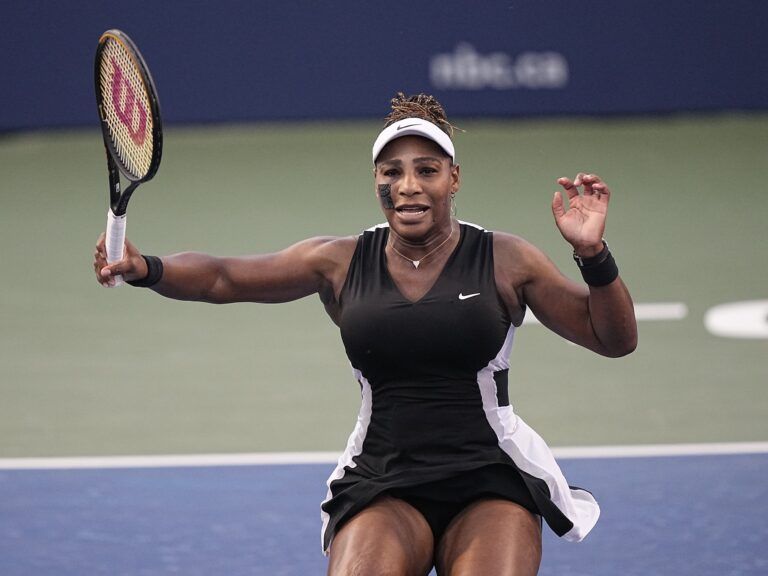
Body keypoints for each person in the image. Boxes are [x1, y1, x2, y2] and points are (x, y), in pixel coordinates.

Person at [94, 92, 637, 576]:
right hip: (384, 479)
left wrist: (593, 254)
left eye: (427, 170)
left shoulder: (505, 258)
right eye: (391, 171)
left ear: (454, 178)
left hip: (490, 477)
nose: (407, 186)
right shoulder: (339, 261)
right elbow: (224, 276)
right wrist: (150, 268)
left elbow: (612, 337)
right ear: (376, 179)